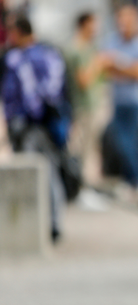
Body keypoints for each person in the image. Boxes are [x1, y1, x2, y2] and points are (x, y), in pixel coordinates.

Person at [1, 16, 67, 242]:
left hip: (33, 125)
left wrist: (30, 118)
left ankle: (48, 224)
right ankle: (45, 223)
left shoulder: (29, 57)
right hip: (33, 124)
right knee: (41, 171)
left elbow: (39, 94)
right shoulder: (34, 55)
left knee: (40, 172)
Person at [103, 3, 138, 199]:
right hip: (118, 99)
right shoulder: (112, 40)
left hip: (135, 101)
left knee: (131, 142)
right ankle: (132, 178)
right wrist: (128, 68)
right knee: (121, 141)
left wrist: (119, 65)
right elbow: (105, 67)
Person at [65, 12, 111, 208]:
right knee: (83, 151)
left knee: (90, 150)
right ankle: (80, 190)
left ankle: (84, 189)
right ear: (83, 25)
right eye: (93, 24)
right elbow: (83, 80)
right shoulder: (77, 49)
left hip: (91, 106)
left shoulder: (88, 48)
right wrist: (99, 63)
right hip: (82, 108)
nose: (96, 28)